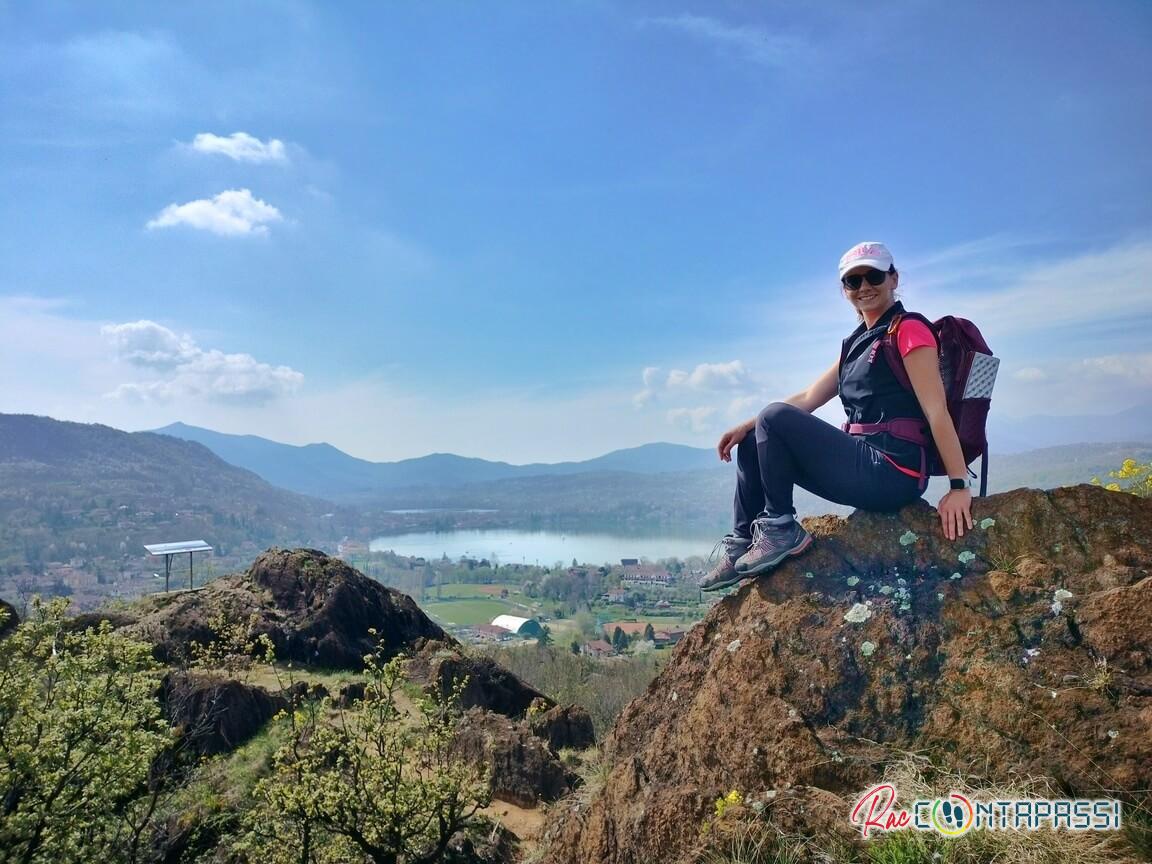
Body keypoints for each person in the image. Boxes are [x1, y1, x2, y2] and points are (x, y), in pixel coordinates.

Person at [698, 241, 974, 592]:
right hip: (863, 465)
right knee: (754, 440)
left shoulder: (908, 330)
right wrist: (746, 425)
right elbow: (810, 398)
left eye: (873, 276)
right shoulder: (856, 343)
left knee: (773, 417)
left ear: (894, 278)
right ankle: (742, 542)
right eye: (852, 282)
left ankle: (781, 528)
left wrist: (958, 486)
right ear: (844, 290)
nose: (864, 287)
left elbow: (937, 411)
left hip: (894, 471)